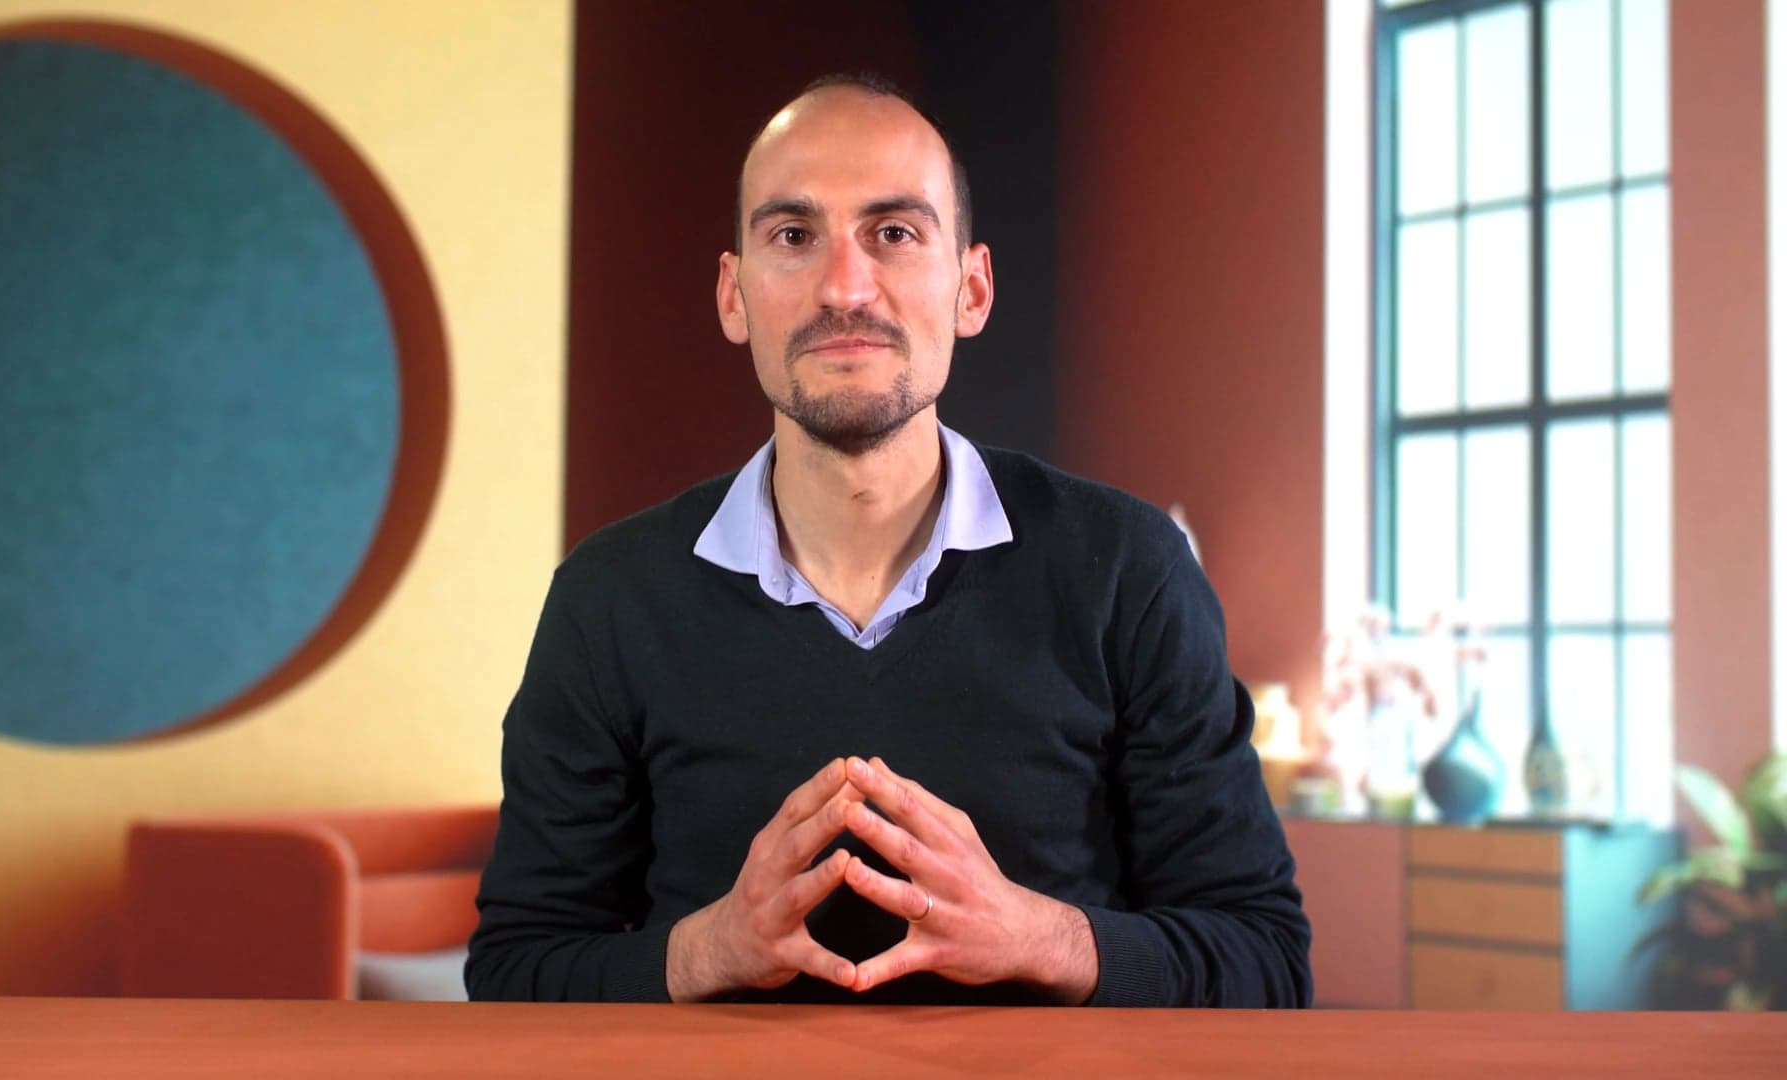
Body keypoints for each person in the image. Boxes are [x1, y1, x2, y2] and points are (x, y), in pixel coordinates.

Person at [466, 73, 1311, 1008]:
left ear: (971, 290)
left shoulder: (1131, 572)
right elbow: (514, 971)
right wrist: (707, 950)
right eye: (794, 237)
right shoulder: (609, 599)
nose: (844, 286)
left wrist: (1038, 937)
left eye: (895, 233)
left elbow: (1265, 961)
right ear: (734, 296)